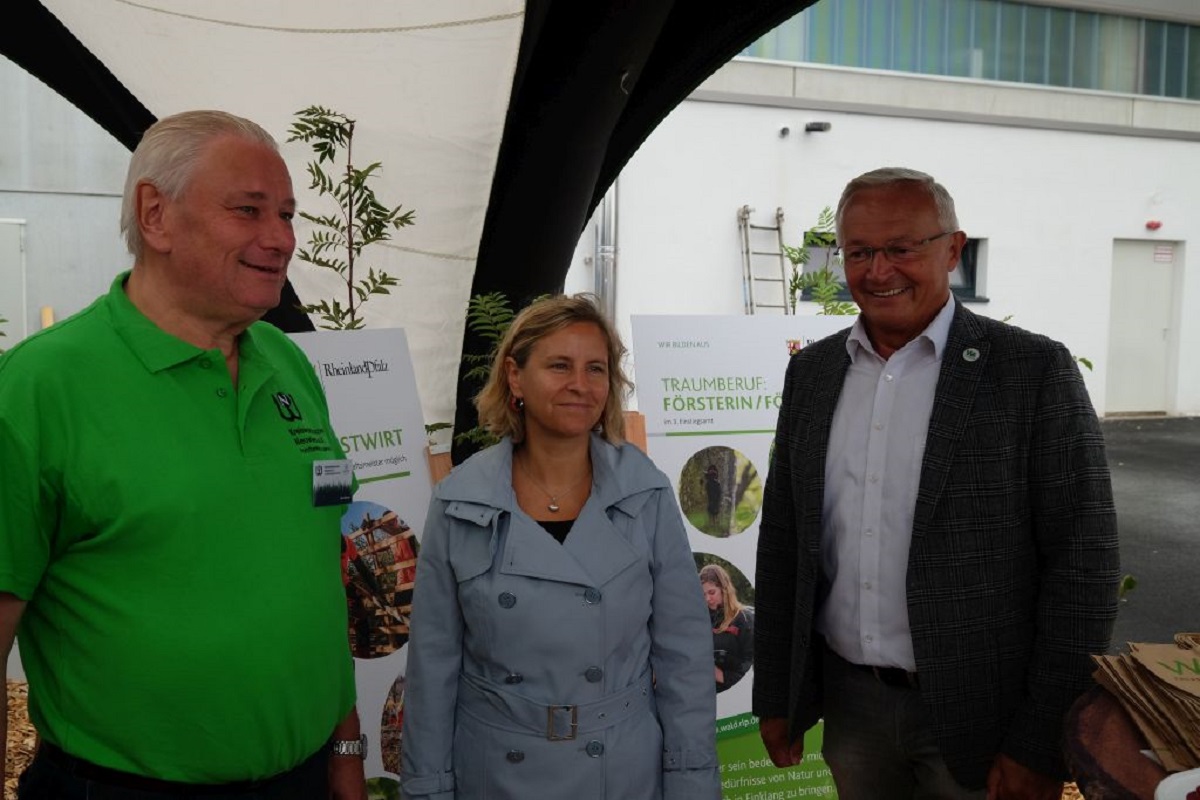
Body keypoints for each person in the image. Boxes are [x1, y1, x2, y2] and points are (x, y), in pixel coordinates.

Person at [0, 111, 366, 799]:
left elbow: (317, 578)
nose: (280, 239)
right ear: (156, 216)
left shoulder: (289, 363)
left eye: (287, 214)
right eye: (248, 211)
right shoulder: (41, 388)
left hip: (305, 776)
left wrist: (346, 750)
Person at [753, 167, 1120, 800]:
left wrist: (1039, 741)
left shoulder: (1031, 371)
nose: (878, 270)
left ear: (953, 249)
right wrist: (778, 694)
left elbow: (1082, 564)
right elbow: (786, 539)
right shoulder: (812, 374)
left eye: (902, 247)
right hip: (852, 707)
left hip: (986, 714)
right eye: (860, 251)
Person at [400, 295, 720, 800]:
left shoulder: (645, 494)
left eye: (596, 368)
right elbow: (432, 669)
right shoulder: (460, 501)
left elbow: (685, 657)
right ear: (514, 376)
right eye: (559, 365)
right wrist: (427, 788)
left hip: (621, 772)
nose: (580, 384)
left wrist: (693, 782)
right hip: (496, 773)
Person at [699, 563, 753, 693]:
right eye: (703, 594)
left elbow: (751, 665)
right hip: (705, 694)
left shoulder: (744, 619)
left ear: (724, 589)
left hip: (735, 696)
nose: (707, 599)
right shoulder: (699, 621)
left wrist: (721, 675)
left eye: (712, 592)